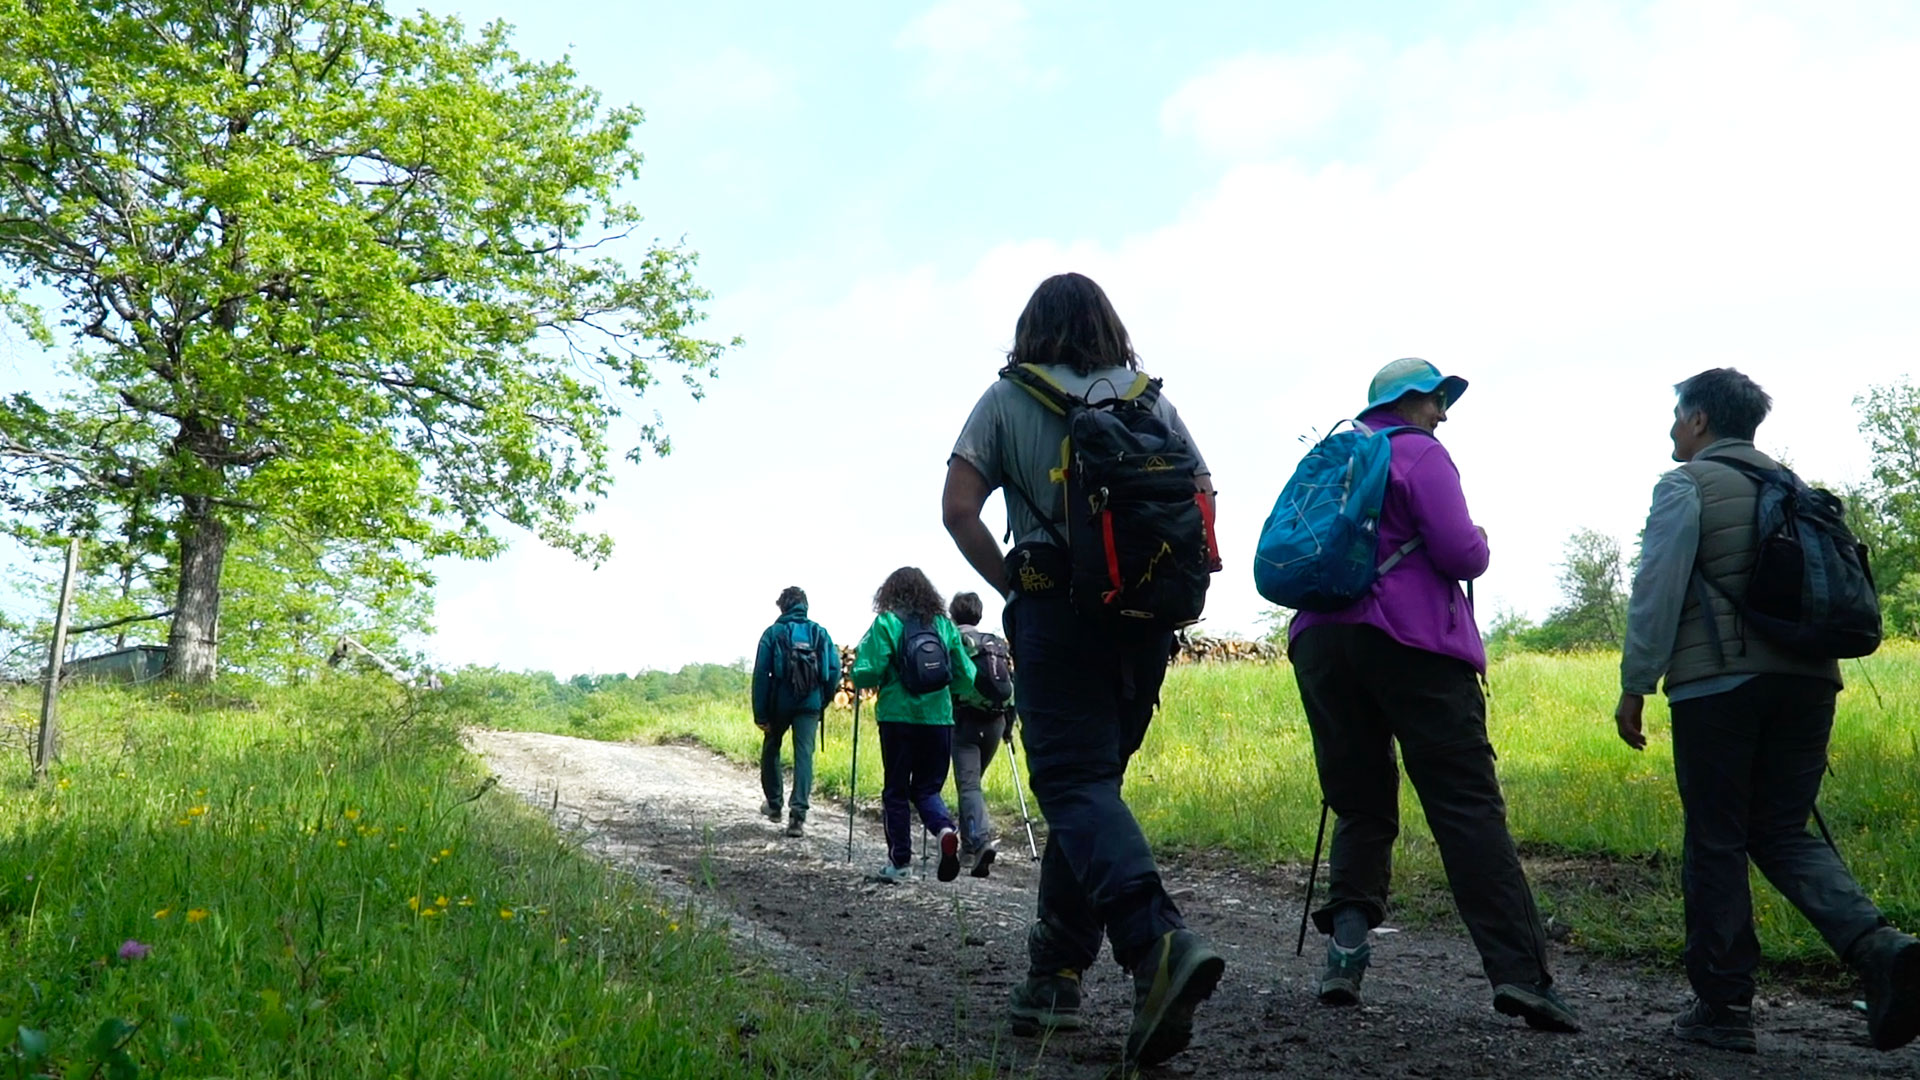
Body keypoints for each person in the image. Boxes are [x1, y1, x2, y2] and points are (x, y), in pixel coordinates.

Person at [942, 271, 1225, 1070]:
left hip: (1055, 610)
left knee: (1072, 787)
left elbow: (958, 508)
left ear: (1033, 328)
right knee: (1089, 790)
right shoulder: (1148, 399)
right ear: (1109, 324)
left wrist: (1009, 584)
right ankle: (1055, 978)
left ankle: (1155, 942)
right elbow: (1201, 492)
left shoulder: (1009, 398)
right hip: (1143, 625)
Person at [1615, 367, 1919, 1054]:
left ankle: (1721, 1010)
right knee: (1780, 829)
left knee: (1716, 837)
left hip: (1719, 684)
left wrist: (1636, 684)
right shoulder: (1795, 488)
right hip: (1812, 680)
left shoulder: (1685, 485)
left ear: (1698, 421)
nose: (1671, 430)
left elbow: (1656, 592)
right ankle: (1878, 948)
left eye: (1677, 417)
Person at [1288, 357, 1580, 1032]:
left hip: (1320, 643)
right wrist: (1483, 544)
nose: (1443, 413)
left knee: (1359, 802)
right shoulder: (1421, 454)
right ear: (1410, 403)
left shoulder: (1336, 455)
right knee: (1465, 807)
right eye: (1435, 401)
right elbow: (1460, 553)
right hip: (1411, 642)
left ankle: (1345, 957)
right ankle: (1522, 978)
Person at [850, 566, 977, 884]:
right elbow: (966, 676)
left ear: (890, 592)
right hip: (939, 720)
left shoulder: (887, 622)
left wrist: (859, 676)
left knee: (896, 790)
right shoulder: (945, 626)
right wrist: (951, 695)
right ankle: (945, 830)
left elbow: (867, 671)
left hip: (897, 718)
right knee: (927, 788)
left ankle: (900, 862)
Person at [750, 586, 838, 838]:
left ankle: (774, 806)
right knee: (804, 757)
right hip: (810, 703)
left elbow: (761, 676)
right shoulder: (819, 633)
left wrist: (761, 714)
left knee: (771, 748)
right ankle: (797, 818)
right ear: (805, 606)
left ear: (782, 606)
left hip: (780, 703)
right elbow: (833, 670)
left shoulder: (773, 633)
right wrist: (824, 700)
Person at [948, 590, 1015, 878]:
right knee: (970, 785)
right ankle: (967, 849)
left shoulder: (955, 641)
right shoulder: (993, 643)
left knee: (969, 785)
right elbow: (1010, 685)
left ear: (953, 614)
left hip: (966, 720)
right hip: (997, 721)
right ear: (979, 614)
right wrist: (1009, 728)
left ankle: (979, 842)